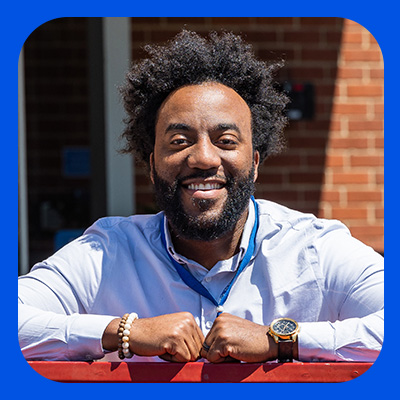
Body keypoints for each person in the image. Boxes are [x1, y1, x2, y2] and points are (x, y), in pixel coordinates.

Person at [18, 30, 383, 364]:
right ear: (151, 165)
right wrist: (124, 331)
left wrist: (282, 340)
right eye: (179, 141)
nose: (204, 158)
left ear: (254, 163)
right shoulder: (108, 254)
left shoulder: (315, 250)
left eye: (226, 141)